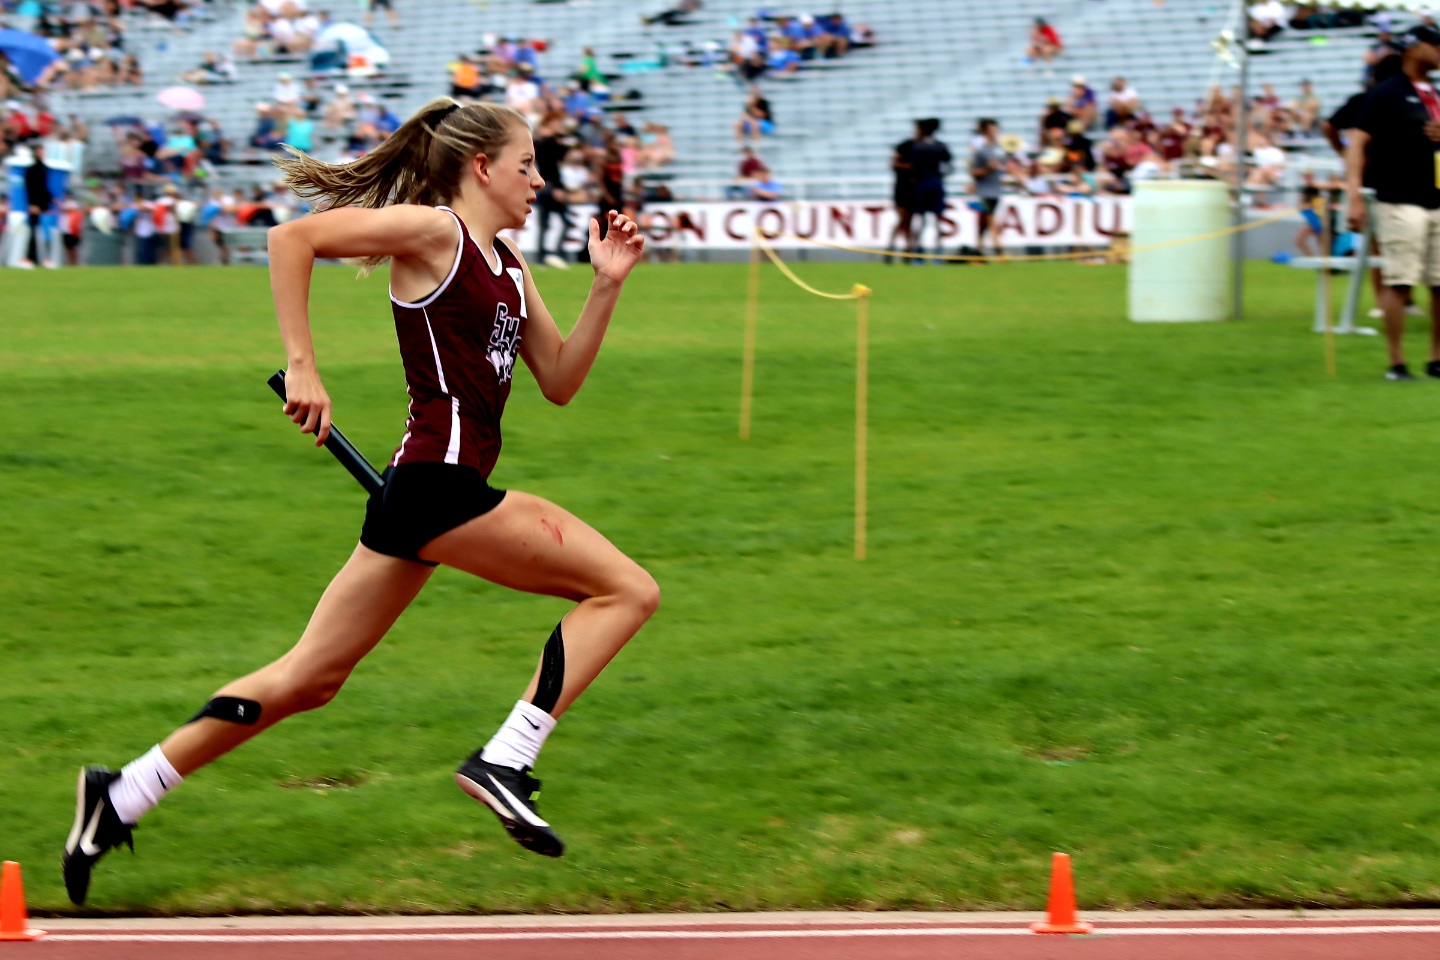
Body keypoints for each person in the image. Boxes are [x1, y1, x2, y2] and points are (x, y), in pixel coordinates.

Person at [60, 98, 657, 905]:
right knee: (626, 589)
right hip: (439, 487)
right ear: (482, 168)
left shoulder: (509, 264)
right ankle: (507, 757)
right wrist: (303, 365)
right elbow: (292, 238)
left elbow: (559, 382)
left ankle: (122, 792)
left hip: (427, 494)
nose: (538, 181)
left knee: (310, 679)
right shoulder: (434, 233)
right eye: (526, 166)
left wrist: (606, 288)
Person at [1346, 26, 1440, 381]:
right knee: (1400, 282)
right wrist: (1354, 196)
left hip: (1436, 198)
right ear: (1414, 49)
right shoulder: (1387, 93)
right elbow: (1356, 145)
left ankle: (1436, 359)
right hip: (1400, 199)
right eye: (1436, 44)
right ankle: (1397, 363)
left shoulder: (1437, 96)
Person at [967, 118, 1002, 258]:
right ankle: (999, 250)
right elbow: (973, 171)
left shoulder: (998, 150)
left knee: (984, 224)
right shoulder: (981, 151)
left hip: (996, 190)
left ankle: (978, 251)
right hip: (985, 191)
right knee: (990, 219)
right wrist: (988, 168)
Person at [886, 122, 919, 263]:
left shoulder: (924, 147)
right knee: (902, 219)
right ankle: (892, 248)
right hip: (902, 188)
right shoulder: (905, 145)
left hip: (914, 189)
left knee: (909, 221)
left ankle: (907, 250)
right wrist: (910, 167)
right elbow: (893, 164)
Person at [21, 143, 54, 269]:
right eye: (40, 151)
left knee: (45, 233)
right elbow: (31, 188)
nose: (42, 153)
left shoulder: (44, 168)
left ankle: (44, 258)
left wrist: (52, 199)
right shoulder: (32, 169)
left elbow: (44, 187)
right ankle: (30, 258)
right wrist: (33, 204)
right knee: (34, 232)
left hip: (44, 205)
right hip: (36, 205)